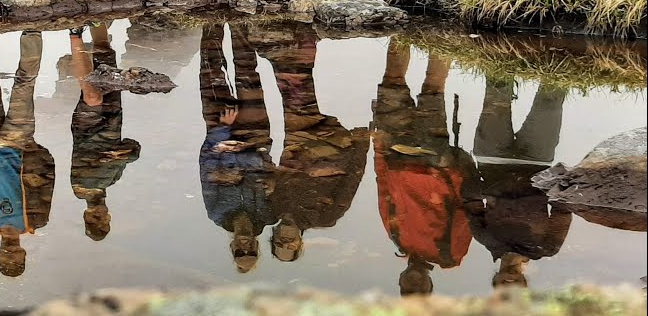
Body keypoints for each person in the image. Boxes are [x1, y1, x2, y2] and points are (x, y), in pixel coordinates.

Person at [253, 22, 368, 263]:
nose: (285, 239)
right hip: (332, 149)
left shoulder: (272, 209)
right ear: (300, 243)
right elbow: (351, 181)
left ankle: (294, 41)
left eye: (280, 243)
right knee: (301, 96)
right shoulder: (326, 217)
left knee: (296, 97)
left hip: (298, 144)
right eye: (290, 244)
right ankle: (301, 36)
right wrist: (362, 145)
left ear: (273, 238)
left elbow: (270, 175)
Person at [371, 41, 477, 296]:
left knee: (392, 81)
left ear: (400, 281)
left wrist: (378, 148)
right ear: (429, 286)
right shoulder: (449, 255)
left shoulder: (397, 241)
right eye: (419, 289)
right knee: (433, 89)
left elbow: (384, 191)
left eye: (407, 288)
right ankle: (444, 33)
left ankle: (401, 28)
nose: (413, 283)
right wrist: (453, 166)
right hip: (435, 160)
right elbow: (468, 208)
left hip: (394, 153)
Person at [0, 31, 54, 277]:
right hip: (20, 142)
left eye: (6, 256)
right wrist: (35, 150)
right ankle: (32, 30)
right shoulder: (36, 220)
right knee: (25, 84)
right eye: (15, 255)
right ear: (24, 253)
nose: (10, 251)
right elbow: (48, 180)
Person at [468, 76, 571, 289]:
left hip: (491, 158)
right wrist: (551, 181)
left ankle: (503, 44)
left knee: (497, 90)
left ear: (494, 281)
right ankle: (559, 49)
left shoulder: (485, 237)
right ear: (524, 284)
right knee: (551, 100)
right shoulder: (546, 246)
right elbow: (562, 211)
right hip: (536, 161)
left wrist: (486, 192)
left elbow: (469, 199)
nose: (508, 286)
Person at [197, 23, 276, 273]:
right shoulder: (268, 214)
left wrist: (222, 132)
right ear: (257, 247)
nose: (245, 247)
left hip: (219, 133)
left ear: (232, 250)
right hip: (256, 136)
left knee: (211, 72)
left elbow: (206, 167)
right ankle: (241, 20)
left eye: (240, 252)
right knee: (248, 75)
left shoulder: (217, 213)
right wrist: (246, 157)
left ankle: (212, 19)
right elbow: (269, 170)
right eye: (251, 252)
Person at [64, 24, 141, 241]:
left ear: (86, 216)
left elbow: (100, 160)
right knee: (105, 56)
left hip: (87, 129)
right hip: (113, 121)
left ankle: (74, 33)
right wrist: (120, 156)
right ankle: (98, 20)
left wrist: (117, 157)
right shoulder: (113, 181)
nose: (100, 215)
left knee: (92, 96)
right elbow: (132, 147)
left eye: (94, 219)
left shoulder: (80, 190)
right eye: (104, 219)